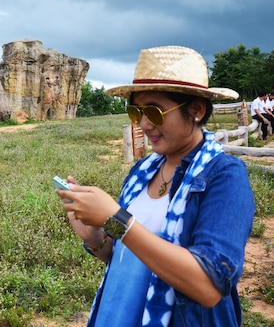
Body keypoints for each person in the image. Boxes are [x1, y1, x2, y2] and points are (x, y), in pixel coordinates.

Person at [55, 45, 255, 327]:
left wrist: (118, 219)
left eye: (155, 111)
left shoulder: (225, 176)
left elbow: (209, 288)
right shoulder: (144, 170)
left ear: (196, 110)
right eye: (136, 112)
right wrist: (96, 238)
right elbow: (126, 252)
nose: (145, 124)